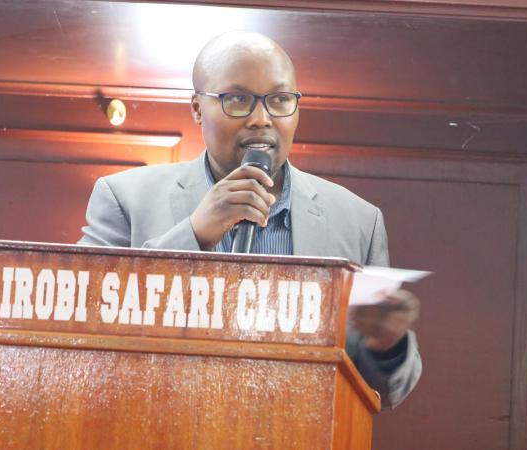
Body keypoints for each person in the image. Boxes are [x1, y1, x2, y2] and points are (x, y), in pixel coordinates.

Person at [79, 31, 421, 409]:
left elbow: (386, 392)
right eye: (238, 100)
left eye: (279, 100)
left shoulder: (358, 221)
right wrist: (194, 234)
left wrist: (386, 347)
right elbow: (81, 326)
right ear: (196, 108)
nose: (262, 119)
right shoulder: (124, 197)